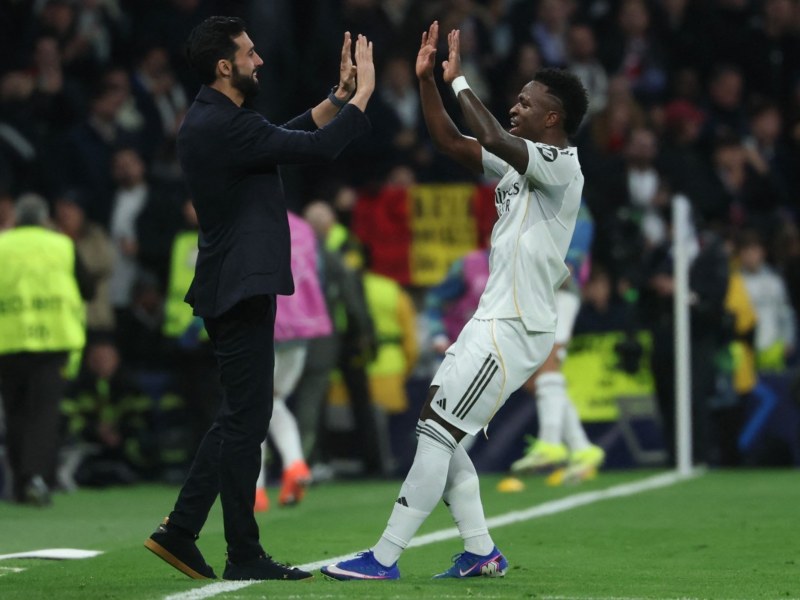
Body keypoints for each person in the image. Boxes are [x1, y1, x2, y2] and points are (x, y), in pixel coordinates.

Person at [322, 21, 588, 580]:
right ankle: (480, 551)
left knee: (437, 432)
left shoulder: (561, 166)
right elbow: (450, 142)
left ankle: (384, 557)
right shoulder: (519, 165)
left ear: (552, 119)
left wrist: (459, 79)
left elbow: (490, 136)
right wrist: (428, 82)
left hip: (514, 325)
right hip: (491, 318)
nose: (514, 108)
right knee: (436, 427)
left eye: (525, 103)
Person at [144, 16, 375, 582]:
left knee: (243, 416)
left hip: (235, 283)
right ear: (226, 66)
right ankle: (230, 547)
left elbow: (285, 138)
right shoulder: (223, 125)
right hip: (240, 285)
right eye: (250, 53)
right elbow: (316, 149)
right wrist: (362, 97)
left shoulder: (218, 121)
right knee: (245, 419)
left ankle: (186, 531)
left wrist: (335, 99)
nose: (260, 60)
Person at [0, 193, 90, 505]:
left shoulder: (1, 245)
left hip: (8, 343)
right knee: (43, 413)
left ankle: (18, 484)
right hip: (53, 342)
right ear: (43, 218)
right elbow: (87, 287)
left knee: (15, 413)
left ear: (15, 218)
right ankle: (37, 478)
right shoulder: (62, 245)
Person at [254, 211, 333, 512]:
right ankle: (295, 463)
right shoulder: (302, 229)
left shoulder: (249, 221)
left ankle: (255, 488)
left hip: (265, 324)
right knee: (272, 401)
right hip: (302, 328)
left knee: (254, 405)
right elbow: (318, 277)